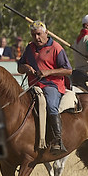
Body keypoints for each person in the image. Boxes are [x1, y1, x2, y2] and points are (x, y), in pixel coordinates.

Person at [18, 20, 72, 150]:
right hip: (33, 86)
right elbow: (20, 68)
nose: (36, 37)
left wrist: (48, 72)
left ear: (46, 33)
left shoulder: (56, 47)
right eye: (33, 35)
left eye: (39, 34)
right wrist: (26, 67)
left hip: (51, 85)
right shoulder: (29, 48)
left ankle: (57, 140)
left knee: (51, 106)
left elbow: (68, 70)